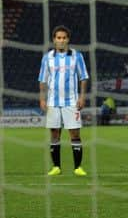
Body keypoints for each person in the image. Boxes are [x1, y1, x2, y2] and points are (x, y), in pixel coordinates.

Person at [38, 25, 89, 176]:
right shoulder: (47, 57)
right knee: (54, 134)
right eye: (58, 38)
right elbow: (42, 80)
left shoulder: (76, 56)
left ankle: (78, 167)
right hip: (53, 102)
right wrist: (42, 99)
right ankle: (56, 167)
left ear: (68, 39)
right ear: (54, 40)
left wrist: (82, 97)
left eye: (64, 38)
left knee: (75, 133)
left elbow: (83, 77)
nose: (61, 40)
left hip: (72, 102)